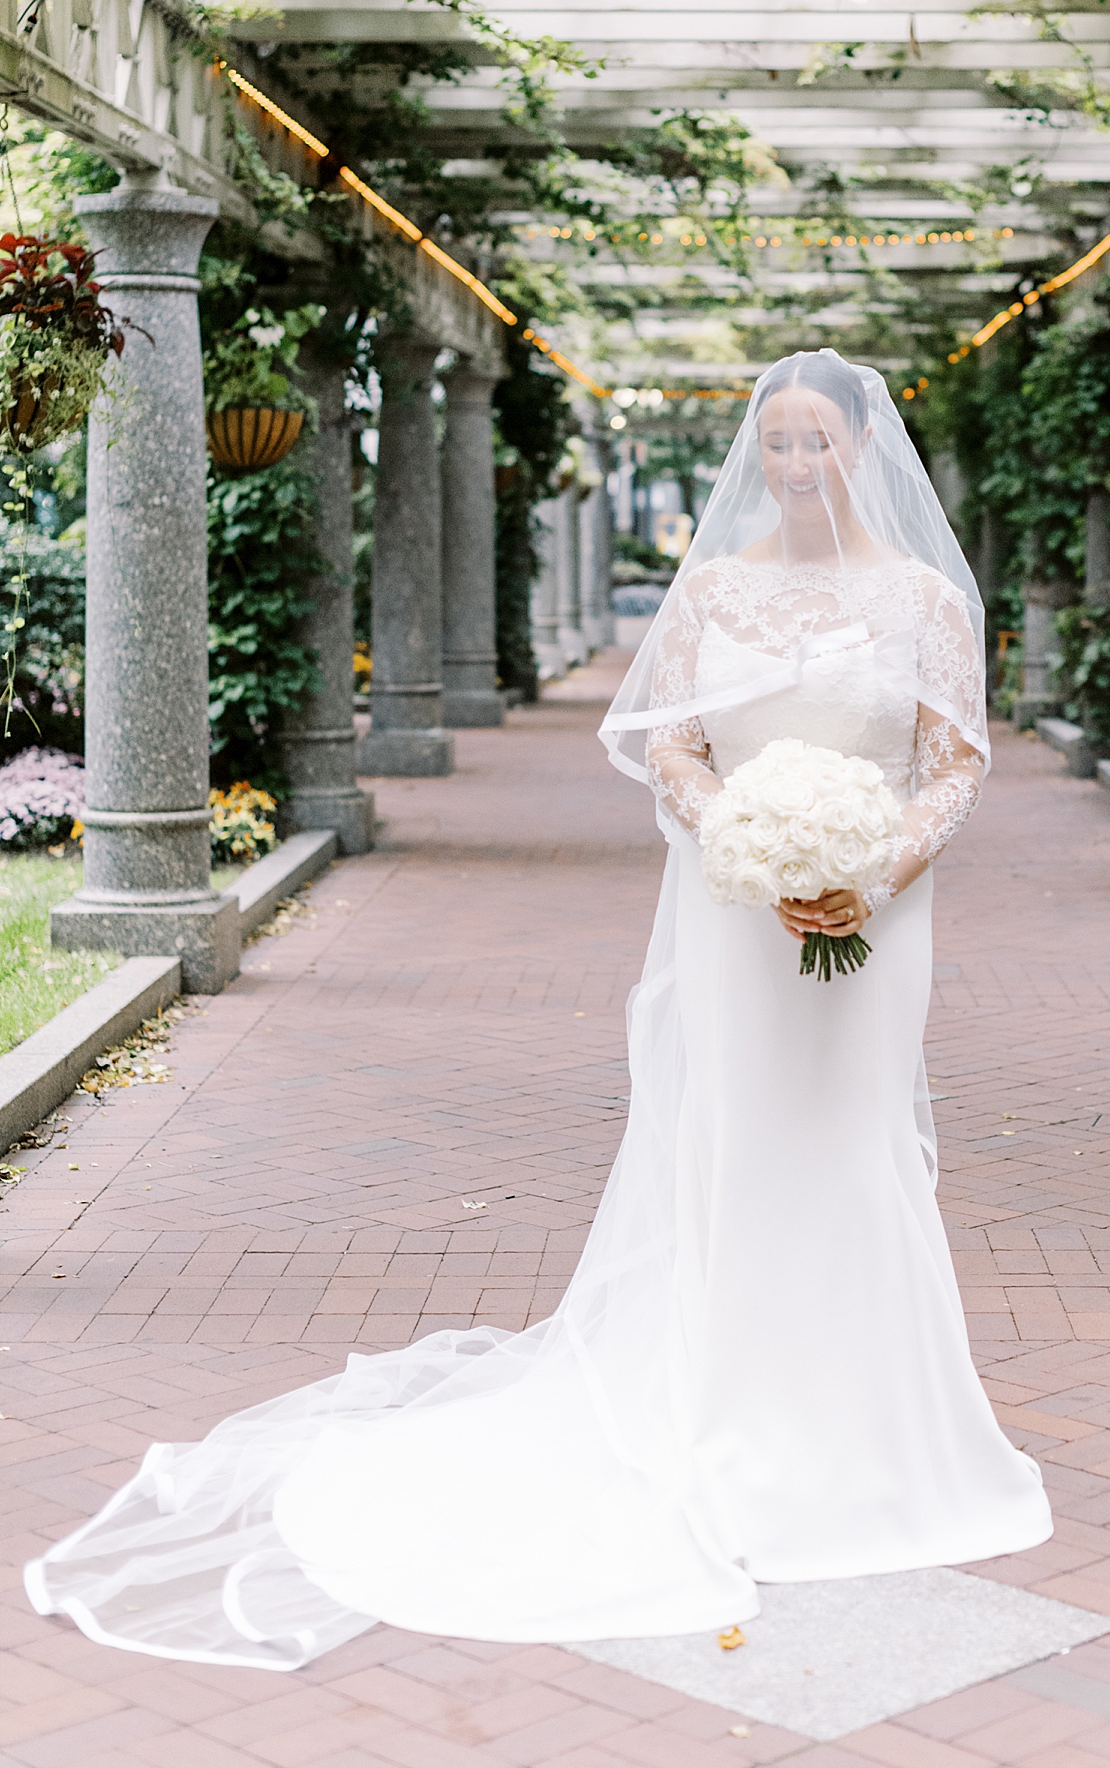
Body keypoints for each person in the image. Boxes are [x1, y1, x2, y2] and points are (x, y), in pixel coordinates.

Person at [26, 350, 1050, 1670]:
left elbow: (951, 762)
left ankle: (879, 1432)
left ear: (865, 446)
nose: (800, 466)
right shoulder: (718, 586)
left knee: (856, 1149)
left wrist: (875, 865)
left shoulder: (920, 597)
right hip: (733, 918)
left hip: (880, 916)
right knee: (735, 1148)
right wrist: (735, 832)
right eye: (779, 444)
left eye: (821, 443)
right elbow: (671, 743)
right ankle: (727, 1416)